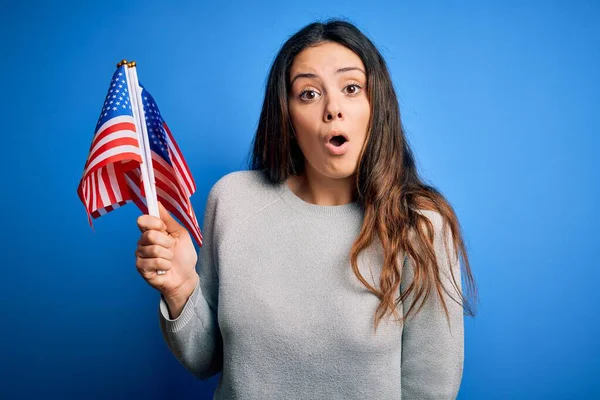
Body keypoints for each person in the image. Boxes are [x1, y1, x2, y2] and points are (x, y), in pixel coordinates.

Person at [135, 18, 478, 400]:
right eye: (309, 94)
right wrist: (181, 287)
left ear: (376, 105)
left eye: (351, 88)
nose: (333, 108)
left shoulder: (421, 225)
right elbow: (204, 359)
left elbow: (431, 389)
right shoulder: (232, 200)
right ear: (287, 117)